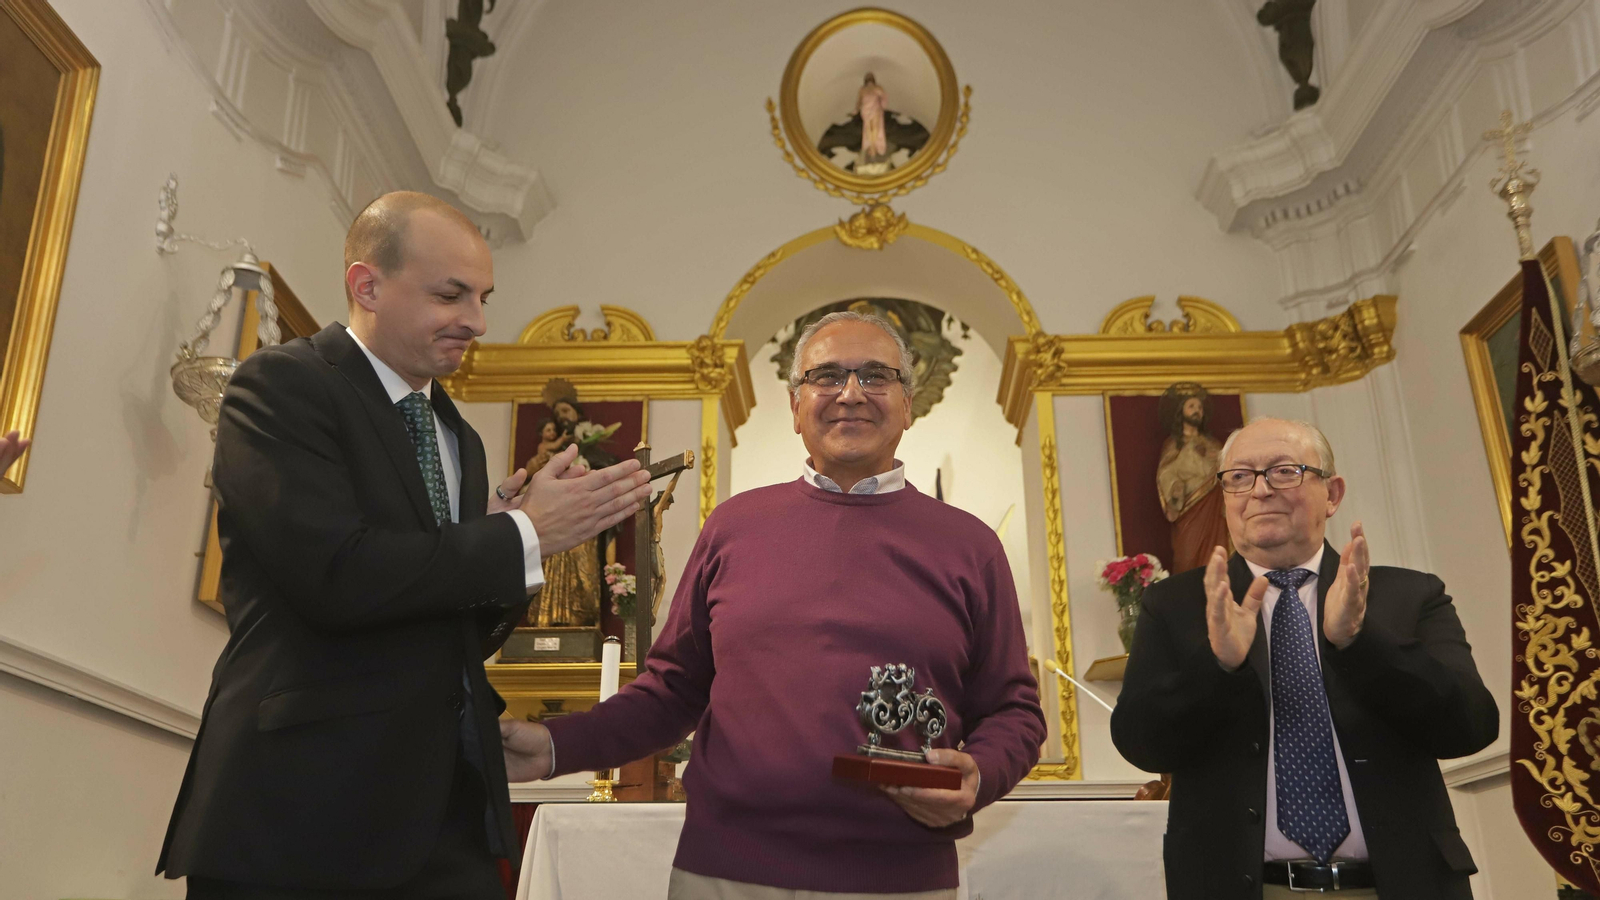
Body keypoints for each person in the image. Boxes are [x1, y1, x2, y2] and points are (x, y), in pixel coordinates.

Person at [156, 191, 653, 898]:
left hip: (446, 815)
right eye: (451, 295)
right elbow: (336, 576)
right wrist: (520, 534)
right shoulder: (282, 386)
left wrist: (505, 546)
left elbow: (451, 631)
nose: (477, 321)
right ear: (368, 285)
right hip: (305, 809)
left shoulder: (459, 435)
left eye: (482, 297)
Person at [499, 312, 1046, 899]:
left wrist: (979, 774)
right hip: (725, 874)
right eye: (828, 375)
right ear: (795, 405)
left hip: (898, 878)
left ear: (908, 405)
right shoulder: (735, 526)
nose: (851, 393)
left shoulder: (970, 545)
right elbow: (673, 690)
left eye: (876, 376)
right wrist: (556, 746)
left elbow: (1015, 712)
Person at [1111, 418, 1498, 900]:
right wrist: (1218, 666)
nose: (1260, 491)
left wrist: (1361, 642)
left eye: (1284, 471)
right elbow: (1140, 743)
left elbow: (1471, 726)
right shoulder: (1176, 605)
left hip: (1400, 884)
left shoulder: (1407, 594)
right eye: (1239, 477)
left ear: (1332, 494)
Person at [1155, 382, 1229, 572]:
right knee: (1187, 558)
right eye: (1192, 407)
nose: (1197, 411)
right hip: (1189, 509)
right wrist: (1175, 487)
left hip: (1215, 509)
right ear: (1182, 412)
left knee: (1218, 556)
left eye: (1200, 407)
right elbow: (1166, 472)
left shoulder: (1213, 444)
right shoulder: (1174, 445)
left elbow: (1227, 469)